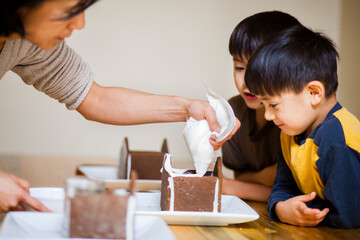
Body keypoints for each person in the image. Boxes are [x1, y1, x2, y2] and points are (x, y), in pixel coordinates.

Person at [0, 0, 240, 213]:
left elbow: (95, 99)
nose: (80, 23)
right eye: (71, 9)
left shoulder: (28, 44)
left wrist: (188, 108)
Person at [245, 25, 360, 228]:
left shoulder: (336, 140)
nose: (267, 115)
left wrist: (300, 209)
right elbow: (282, 186)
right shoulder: (289, 132)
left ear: (314, 93)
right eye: (263, 104)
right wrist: (281, 208)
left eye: (273, 104)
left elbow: (349, 217)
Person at [221, 11, 301, 202]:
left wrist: (230, 186)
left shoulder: (294, 117)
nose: (247, 81)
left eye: (258, 69)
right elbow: (240, 177)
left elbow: (297, 190)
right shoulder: (234, 112)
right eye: (239, 68)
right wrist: (266, 176)